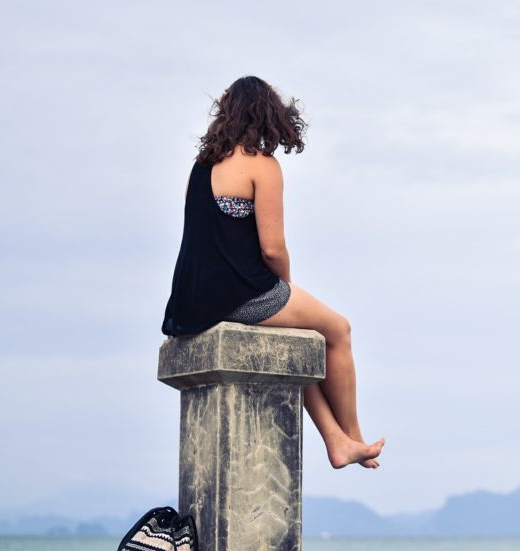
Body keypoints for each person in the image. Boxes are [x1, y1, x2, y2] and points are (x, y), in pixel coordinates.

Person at [161, 75, 385, 470]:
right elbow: (272, 247)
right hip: (240, 293)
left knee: (300, 340)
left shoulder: (200, 169)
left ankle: (334, 441)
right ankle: (353, 437)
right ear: (267, 116)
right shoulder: (262, 166)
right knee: (338, 329)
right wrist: (285, 286)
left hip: (193, 300)